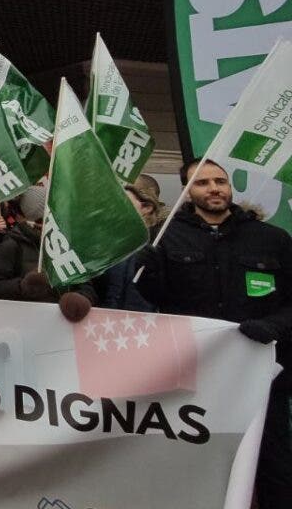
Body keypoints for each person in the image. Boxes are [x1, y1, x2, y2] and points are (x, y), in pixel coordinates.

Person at [135, 158, 292, 508]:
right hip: (198, 377)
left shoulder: (272, 239)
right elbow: (155, 298)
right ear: (188, 192)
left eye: (219, 181)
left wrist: (274, 326)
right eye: (202, 183)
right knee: (196, 462)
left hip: (262, 375)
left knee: (274, 465)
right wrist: (146, 268)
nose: (214, 188)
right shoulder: (166, 236)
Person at [0, 185, 94, 321]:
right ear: (26, 219)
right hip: (24, 324)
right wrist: (23, 286)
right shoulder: (11, 245)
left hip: (61, 327)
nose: (46, 225)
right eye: (40, 220)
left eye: (51, 219)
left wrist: (80, 298)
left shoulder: (64, 246)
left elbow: (85, 285)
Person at [96, 184, 157, 312]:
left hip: (144, 326)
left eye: (121, 200)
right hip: (102, 324)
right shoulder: (98, 247)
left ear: (146, 207)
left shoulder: (159, 245)